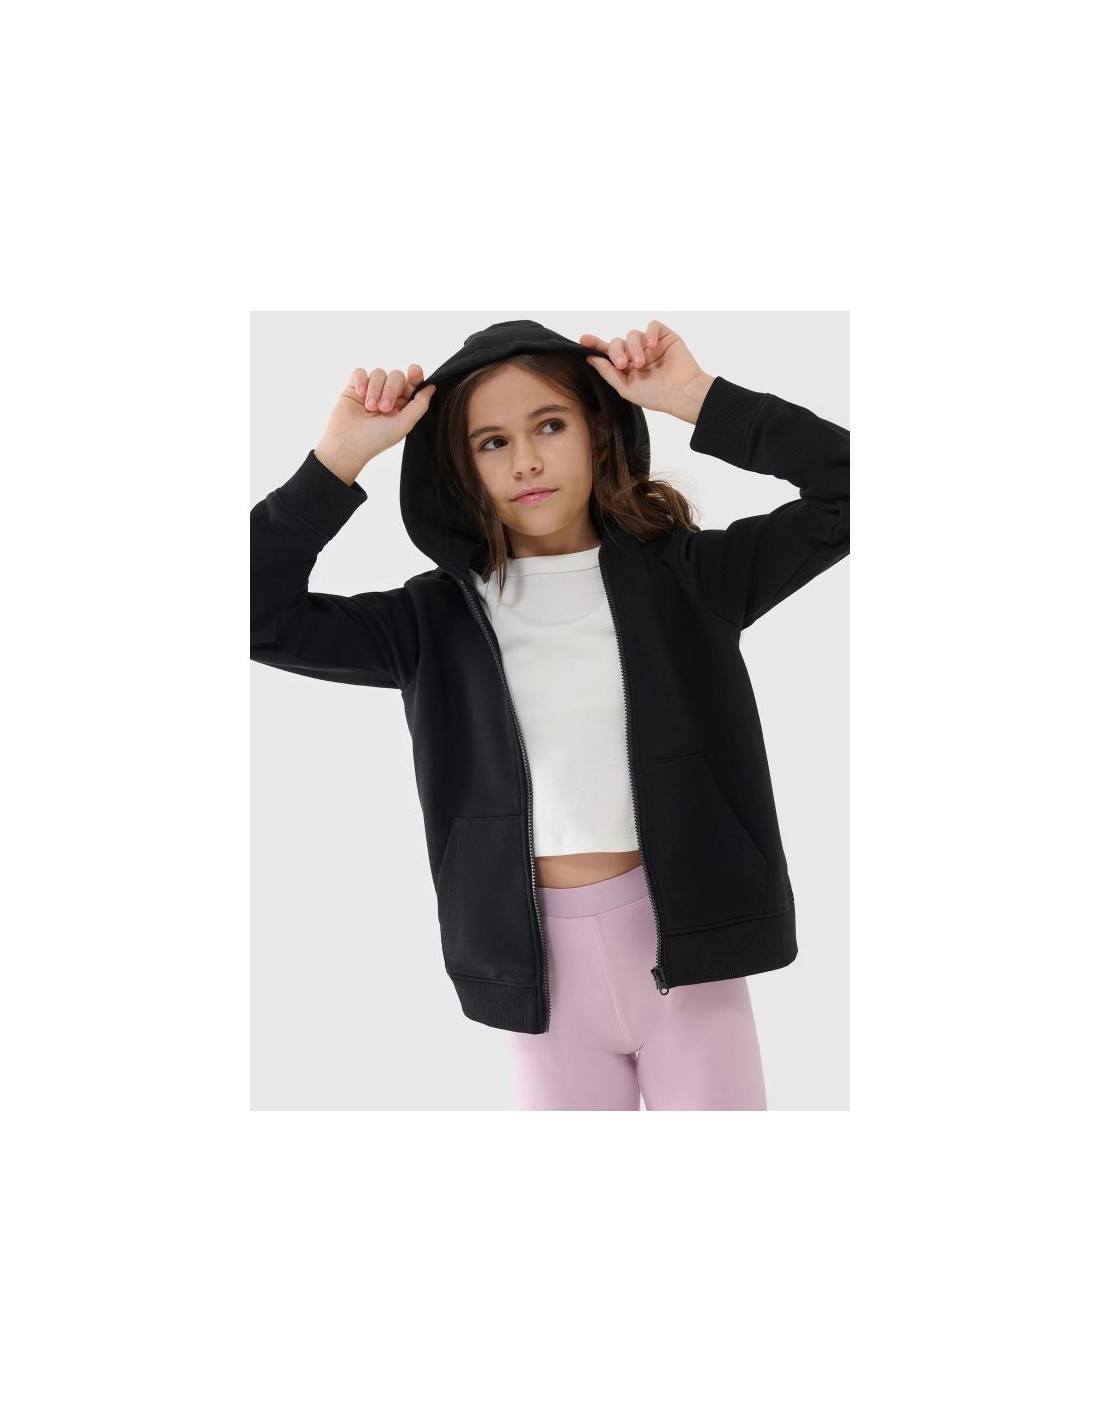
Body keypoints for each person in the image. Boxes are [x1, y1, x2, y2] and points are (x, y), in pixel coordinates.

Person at [251, 317, 849, 1110]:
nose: (526, 460)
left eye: (550, 425)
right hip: (539, 977)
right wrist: (338, 460)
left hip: (691, 956)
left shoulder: (691, 580)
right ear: (459, 466)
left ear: (598, 433)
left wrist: (697, 398)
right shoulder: (431, 623)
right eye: (491, 442)